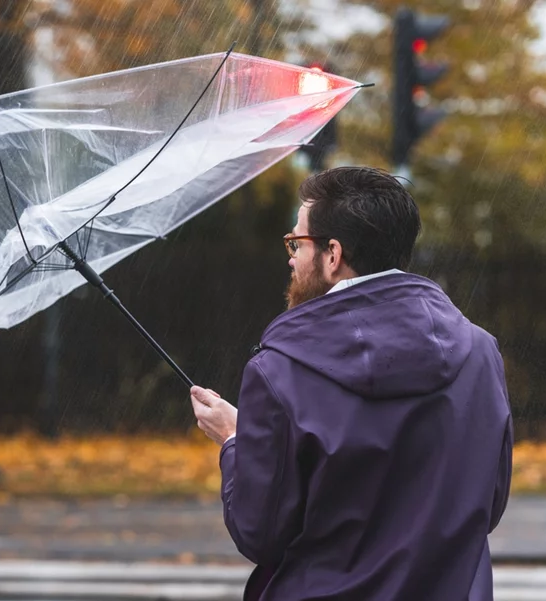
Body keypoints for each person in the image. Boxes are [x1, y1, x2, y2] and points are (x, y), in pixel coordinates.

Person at [190, 166, 513, 601]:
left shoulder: (281, 372)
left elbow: (260, 534)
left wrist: (234, 441)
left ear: (333, 254)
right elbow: (486, 507)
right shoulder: (480, 353)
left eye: (297, 243)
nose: (291, 256)